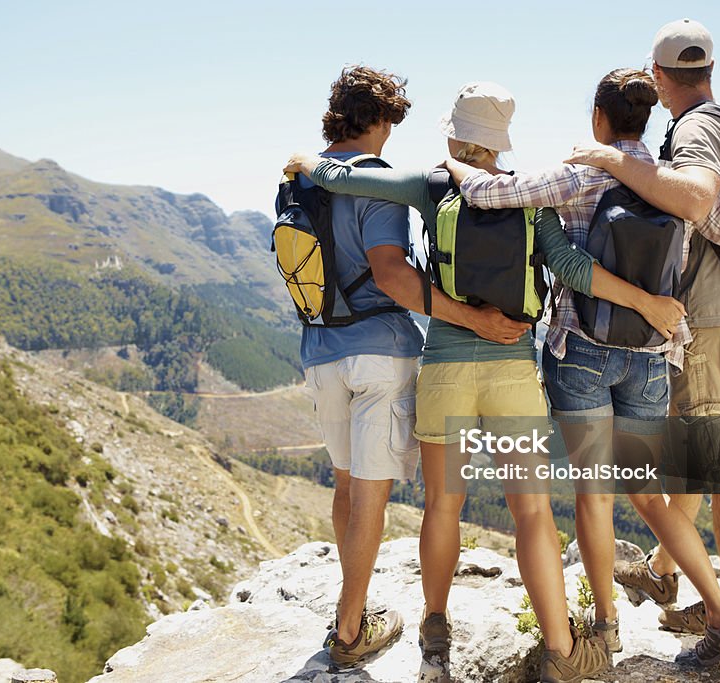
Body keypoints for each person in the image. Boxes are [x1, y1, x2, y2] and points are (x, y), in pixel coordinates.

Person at [286, 81, 688, 683]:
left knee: (444, 504)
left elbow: (342, 179)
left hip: (444, 370)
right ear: (501, 140)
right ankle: (562, 649)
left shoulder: (430, 185)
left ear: (454, 132)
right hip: (513, 377)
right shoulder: (527, 196)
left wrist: (303, 165)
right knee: (530, 512)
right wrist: (648, 304)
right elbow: (574, 268)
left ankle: (435, 625)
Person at [446, 67, 720, 666]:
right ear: (646, 121)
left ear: (598, 118)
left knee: (595, 496)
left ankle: (608, 627)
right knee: (647, 495)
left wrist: (459, 167)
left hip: (582, 352)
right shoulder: (678, 185)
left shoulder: (578, 176)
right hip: (651, 355)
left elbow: (486, 194)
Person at [564, 18, 720, 657]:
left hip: (712, 323)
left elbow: (698, 199)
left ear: (658, 77)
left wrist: (613, 159)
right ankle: (664, 572)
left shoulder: (700, 130)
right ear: (709, 70)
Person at [293, 66, 532, 668]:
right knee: (372, 490)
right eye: (391, 124)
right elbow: (392, 274)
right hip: (380, 348)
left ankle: (354, 609)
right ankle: (350, 629)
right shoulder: (379, 182)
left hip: (320, 348)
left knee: (346, 483)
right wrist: (471, 318)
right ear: (378, 120)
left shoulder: (298, 179)